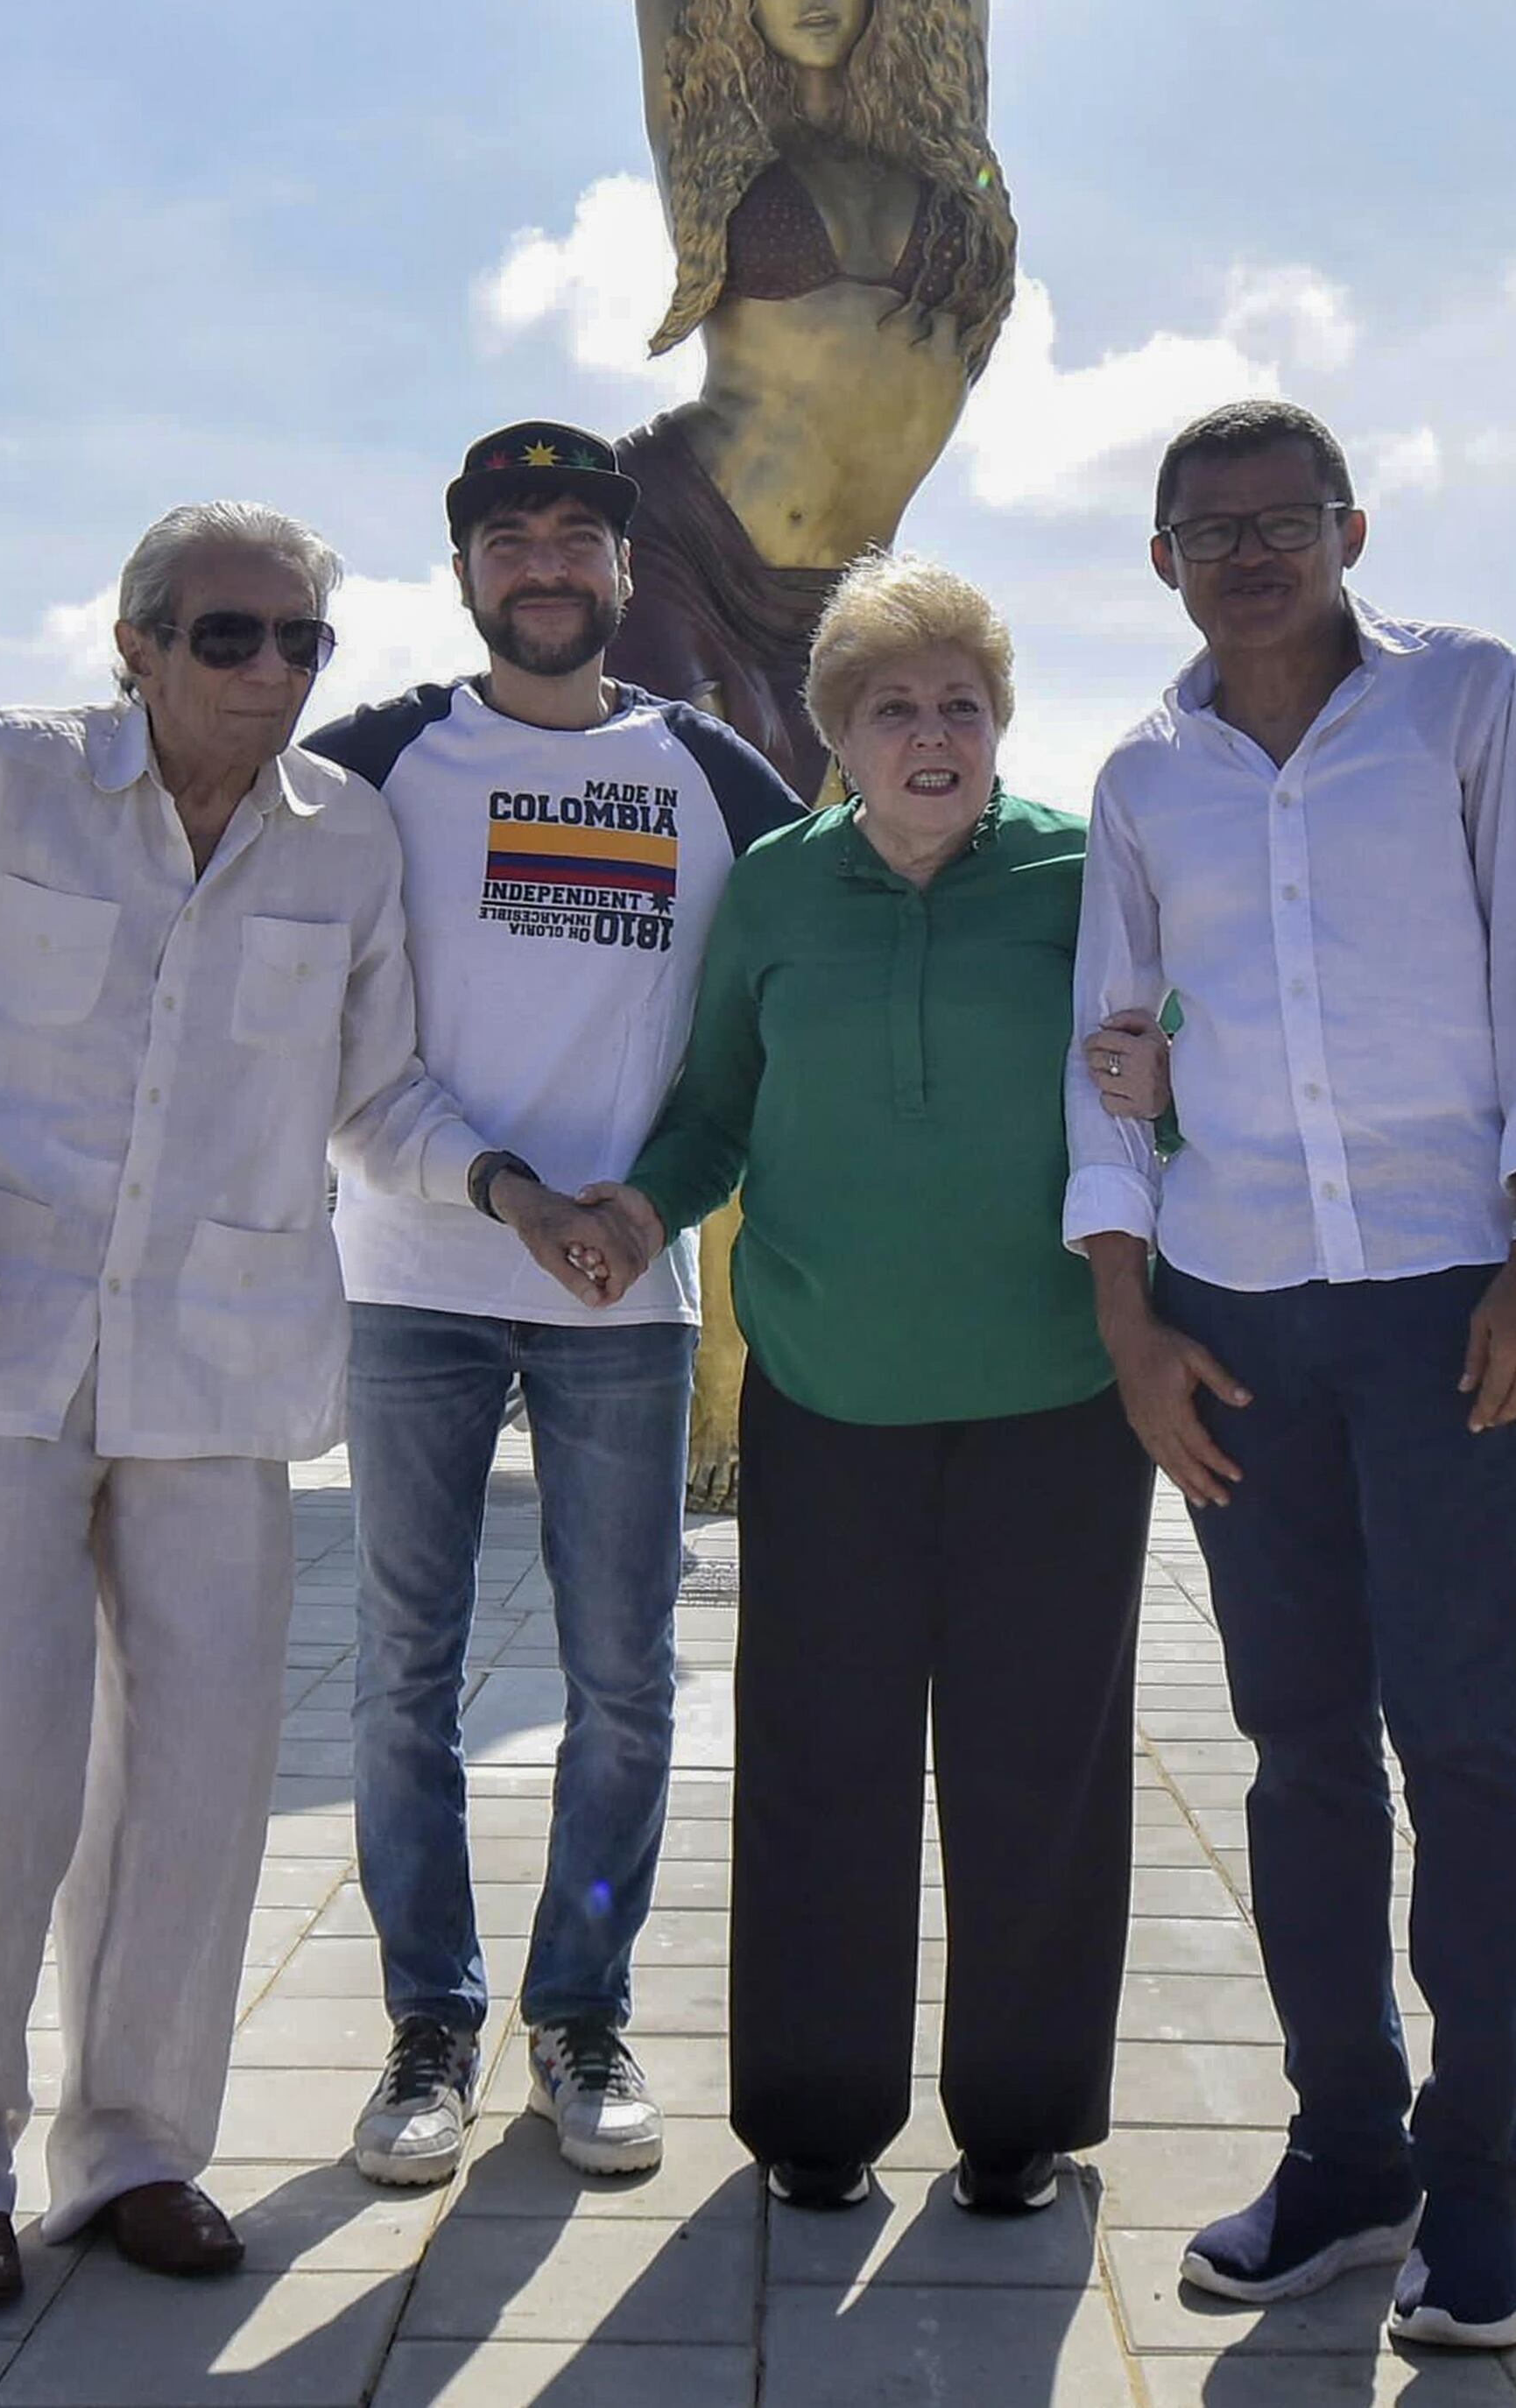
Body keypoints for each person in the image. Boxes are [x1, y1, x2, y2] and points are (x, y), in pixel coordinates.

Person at [0, 421, 804, 2193]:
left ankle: (581, 2012)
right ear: (463, 575)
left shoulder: (705, 763)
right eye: (507, 536)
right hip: (412, 1285)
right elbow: (167, 791)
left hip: (625, 1289)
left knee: (626, 1683)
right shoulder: (377, 756)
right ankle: (430, 2024)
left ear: (622, 575)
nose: (545, 564)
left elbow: (848, 906)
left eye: (577, 539)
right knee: (405, 1677)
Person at [0, 502, 474, 2307]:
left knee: (200, 1777)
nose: (267, 672)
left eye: (299, 644)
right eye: (227, 636)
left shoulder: (347, 842)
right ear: (135, 642)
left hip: (225, 1360)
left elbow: (383, 1096)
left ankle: (137, 2147)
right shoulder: (6, 778)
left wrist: (513, 1189)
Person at [1060, 401, 1516, 2355]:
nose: (1246, 553)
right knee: (1297, 1749)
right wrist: (1129, 1319)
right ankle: (1346, 2154)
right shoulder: (1144, 774)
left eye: (1281, 519)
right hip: (1237, 1316)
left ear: (1349, 527)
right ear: (1159, 559)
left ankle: (1477, 2188)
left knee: (1464, 1739)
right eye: (1204, 528)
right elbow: (1108, 1050)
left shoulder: (1465, 705)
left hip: (1450, 1295)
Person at [539, 555, 1153, 2219]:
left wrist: (1176, 1083)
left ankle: (1023, 2114)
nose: (933, 733)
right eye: (895, 707)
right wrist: (633, 1210)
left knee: (1044, 1757)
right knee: (823, 1758)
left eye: (963, 703)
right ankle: (814, 2114)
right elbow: (715, 1105)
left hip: (1057, 1399)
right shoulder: (779, 892)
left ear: (1002, 724)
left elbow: (1174, 1077)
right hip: (827, 1393)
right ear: (838, 736)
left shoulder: (1087, 876)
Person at [602, 0, 1019, 791]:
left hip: (851, 594)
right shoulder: (718, 146)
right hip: (680, 538)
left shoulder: (947, 141)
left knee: (828, 891)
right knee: (678, 857)